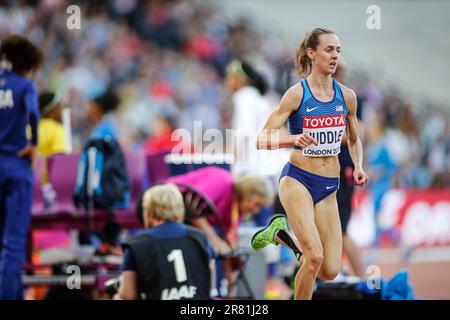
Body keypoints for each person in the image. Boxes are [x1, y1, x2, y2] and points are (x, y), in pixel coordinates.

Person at [253, 27, 368, 300]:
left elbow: (354, 139)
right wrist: (293, 138)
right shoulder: (296, 94)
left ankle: (281, 234)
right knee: (314, 257)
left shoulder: (347, 96)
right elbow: (262, 139)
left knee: (329, 270)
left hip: (330, 185)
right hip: (298, 180)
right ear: (311, 53)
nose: (334, 56)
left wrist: (359, 166)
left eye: (338, 51)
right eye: (328, 50)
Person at [165, 166, 274, 294]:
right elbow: (192, 208)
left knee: (225, 245)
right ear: (250, 192)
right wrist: (215, 240)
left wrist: (231, 292)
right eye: (257, 204)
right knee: (213, 239)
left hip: (184, 222)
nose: (256, 211)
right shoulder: (222, 181)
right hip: (164, 202)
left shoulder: (235, 210)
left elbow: (229, 248)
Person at [0, 34, 43, 299]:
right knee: (13, 242)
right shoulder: (25, 86)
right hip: (15, 164)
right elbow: (34, 112)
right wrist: (34, 143)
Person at [117, 184, 212, 300]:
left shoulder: (135, 244)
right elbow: (209, 285)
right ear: (180, 208)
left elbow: (128, 295)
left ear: (148, 212)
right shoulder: (201, 238)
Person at [37, 91, 67, 183]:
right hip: (47, 184)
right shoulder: (57, 129)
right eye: (60, 107)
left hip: (31, 181)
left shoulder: (29, 127)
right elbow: (59, 159)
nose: (62, 111)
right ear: (53, 109)